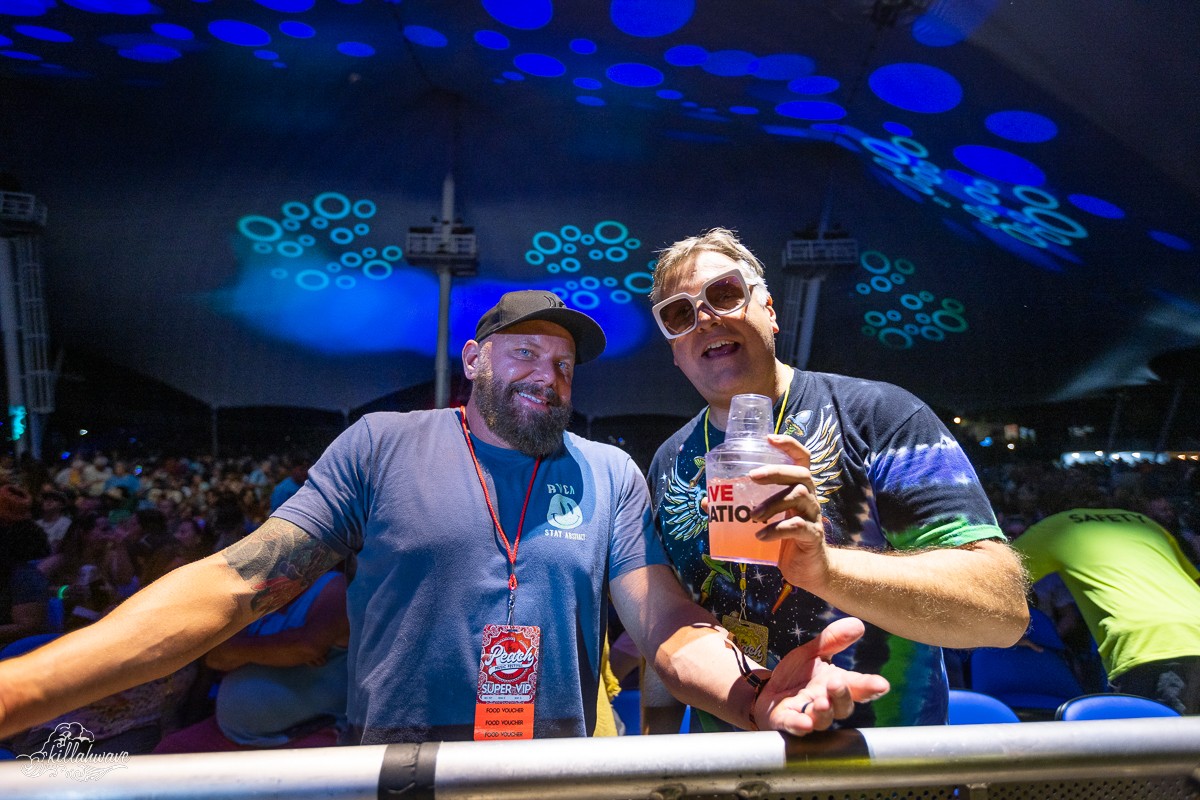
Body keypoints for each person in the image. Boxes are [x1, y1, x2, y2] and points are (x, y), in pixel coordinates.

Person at [0, 290, 888, 745]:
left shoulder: (609, 472)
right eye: (524, 353)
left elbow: (665, 624)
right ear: (473, 359)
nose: (549, 375)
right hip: (399, 766)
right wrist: (27, 689)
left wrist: (751, 695)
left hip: (550, 770)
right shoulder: (381, 444)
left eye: (565, 365)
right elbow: (238, 584)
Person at [643, 228, 1028, 731]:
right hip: (732, 758)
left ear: (770, 310)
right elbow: (670, 626)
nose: (706, 317)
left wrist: (827, 570)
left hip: (877, 757)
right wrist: (657, 750)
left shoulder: (880, 415)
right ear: (674, 351)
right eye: (679, 314)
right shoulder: (670, 460)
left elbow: (1002, 610)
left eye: (725, 293)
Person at [1013, 507, 1200, 714]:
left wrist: (1004, 634)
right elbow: (1194, 580)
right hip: (1181, 632)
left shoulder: (1054, 527)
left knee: (1160, 735)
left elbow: (995, 578)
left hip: (1150, 644)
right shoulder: (1143, 521)